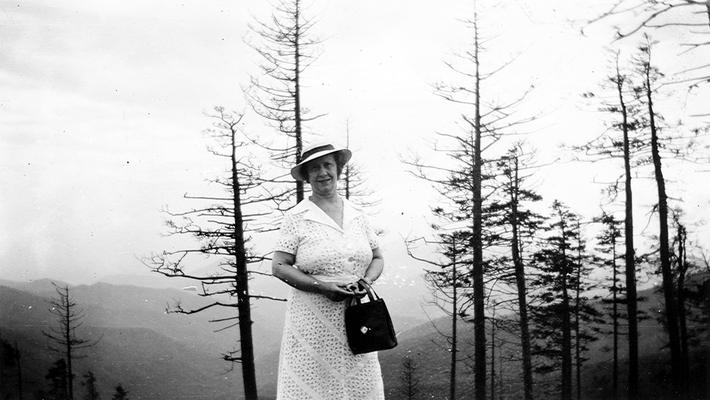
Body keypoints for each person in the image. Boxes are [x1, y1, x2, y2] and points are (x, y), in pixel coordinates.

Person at [272, 142, 385, 400]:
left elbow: (377, 257)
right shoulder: (297, 216)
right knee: (315, 384)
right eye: (315, 168)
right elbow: (279, 266)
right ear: (307, 176)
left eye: (328, 165)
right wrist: (322, 286)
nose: (323, 172)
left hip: (357, 315)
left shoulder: (358, 214)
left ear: (339, 169)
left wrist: (366, 280)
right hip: (313, 318)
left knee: (359, 384)